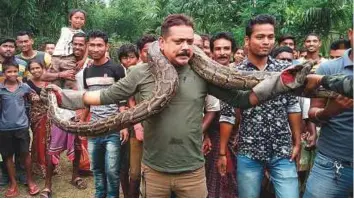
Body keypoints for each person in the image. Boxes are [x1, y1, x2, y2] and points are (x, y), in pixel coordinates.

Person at [43, 14, 311, 198]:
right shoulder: (140, 73)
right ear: (161, 44)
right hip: (155, 169)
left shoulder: (204, 73)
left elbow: (242, 99)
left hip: (192, 170)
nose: (186, 47)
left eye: (189, 42)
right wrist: (63, 97)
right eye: (178, 42)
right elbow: (103, 96)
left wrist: (281, 84)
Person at [218, 14, 302, 198]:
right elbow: (227, 115)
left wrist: (297, 141)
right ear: (247, 40)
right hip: (249, 151)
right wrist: (222, 152)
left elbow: (293, 106)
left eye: (270, 37)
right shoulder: (234, 73)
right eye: (260, 37)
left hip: (282, 150)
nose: (266, 42)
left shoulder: (284, 70)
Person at [303, 28, 353, 198]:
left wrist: (323, 80)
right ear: (350, 34)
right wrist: (328, 112)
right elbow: (312, 112)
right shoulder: (328, 68)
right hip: (333, 164)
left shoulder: (323, 75)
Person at [80, 30, 126, 198]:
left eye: (99, 45)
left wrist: (123, 126)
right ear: (87, 46)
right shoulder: (87, 71)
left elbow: (123, 99)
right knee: (97, 168)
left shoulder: (116, 68)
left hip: (113, 127)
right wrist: (83, 123)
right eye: (91, 45)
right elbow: (87, 99)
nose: (95, 48)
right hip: (94, 128)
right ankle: (99, 195)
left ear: (107, 47)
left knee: (112, 170)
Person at [0, 62, 40, 197]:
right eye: (8, 72)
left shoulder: (24, 87)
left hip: (22, 126)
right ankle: (13, 183)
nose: (12, 74)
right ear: (3, 73)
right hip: (4, 128)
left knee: (25, 154)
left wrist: (35, 97)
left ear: (19, 72)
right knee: (7, 156)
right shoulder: (0, 88)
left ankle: (30, 180)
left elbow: (34, 96)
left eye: (14, 71)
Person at [205, 32, 238, 198]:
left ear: (232, 51)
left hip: (238, 137)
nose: (222, 52)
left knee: (234, 182)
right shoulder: (205, 75)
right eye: (218, 49)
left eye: (226, 48)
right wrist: (203, 134)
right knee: (214, 180)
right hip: (213, 135)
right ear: (211, 52)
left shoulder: (240, 75)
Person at [0, 38, 28, 186]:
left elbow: (26, 82)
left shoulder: (22, 64)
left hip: (17, 106)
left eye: (11, 46)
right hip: (1, 106)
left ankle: (21, 172)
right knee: (3, 145)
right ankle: (4, 173)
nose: (8, 49)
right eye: (5, 46)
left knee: (20, 143)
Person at [116, 43, 140, 197]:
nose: (128, 60)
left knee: (136, 167)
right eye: (125, 58)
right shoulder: (119, 74)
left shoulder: (141, 73)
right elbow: (120, 99)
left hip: (139, 123)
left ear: (137, 58)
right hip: (125, 123)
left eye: (131, 57)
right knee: (124, 164)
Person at [51, 9, 86, 89]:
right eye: (76, 18)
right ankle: (55, 98)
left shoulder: (82, 34)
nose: (79, 20)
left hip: (69, 58)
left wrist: (83, 60)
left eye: (81, 19)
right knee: (55, 80)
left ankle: (72, 98)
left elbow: (87, 47)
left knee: (70, 79)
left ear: (84, 21)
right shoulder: (64, 29)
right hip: (55, 57)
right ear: (70, 19)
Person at [27, 61, 50, 178]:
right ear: (29, 71)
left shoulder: (49, 83)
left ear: (43, 68)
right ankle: (39, 167)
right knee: (38, 141)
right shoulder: (27, 84)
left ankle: (51, 165)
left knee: (49, 141)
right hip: (36, 117)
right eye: (33, 69)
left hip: (50, 117)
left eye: (38, 68)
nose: (36, 70)